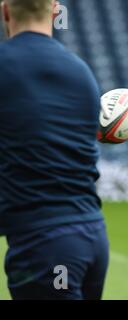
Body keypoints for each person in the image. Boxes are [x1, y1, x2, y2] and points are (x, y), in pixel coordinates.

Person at [0, 0, 108, 299]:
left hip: (44, 244)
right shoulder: (81, 72)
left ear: (5, 11)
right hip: (92, 235)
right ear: (55, 12)